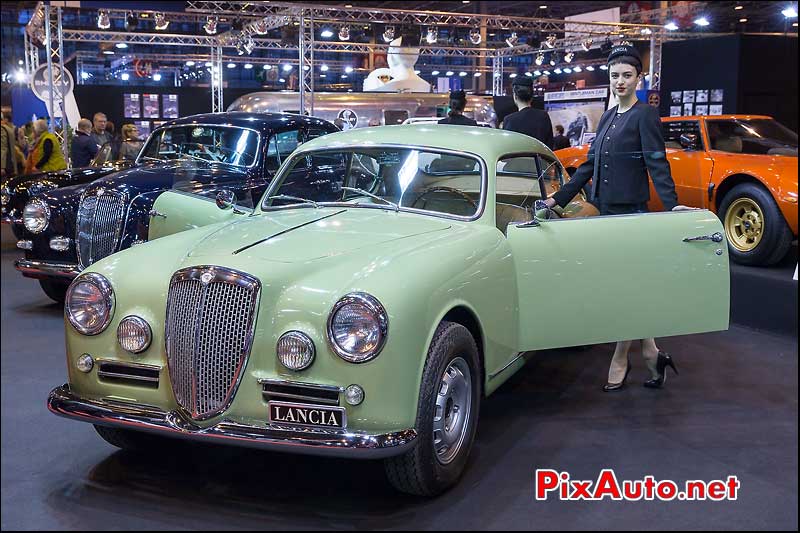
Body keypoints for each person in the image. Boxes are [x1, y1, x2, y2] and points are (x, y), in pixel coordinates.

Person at [541, 44, 684, 392]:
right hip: (606, 213)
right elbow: (588, 166)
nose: (620, 81)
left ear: (638, 78)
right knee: (622, 288)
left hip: (631, 215)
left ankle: (620, 357)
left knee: (624, 288)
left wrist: (673, 205)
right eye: (614, 76)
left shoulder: (644, 115)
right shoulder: (606, 117)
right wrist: (558, 198)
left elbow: (656, 162)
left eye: (626, 75)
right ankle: (651, 352)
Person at [502, 76, 554, 150]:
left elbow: (506, 148)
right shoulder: (543, 116)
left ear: (515, 96)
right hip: (539, 160)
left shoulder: (509, 120)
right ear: (532, 96)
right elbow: (549, 146)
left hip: (518, 161)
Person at [1, 112, 19, 178]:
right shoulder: (8, 128)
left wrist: (2, 166)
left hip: (4, 166)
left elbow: (3, 147)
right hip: (10, 164)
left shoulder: (2, 129)